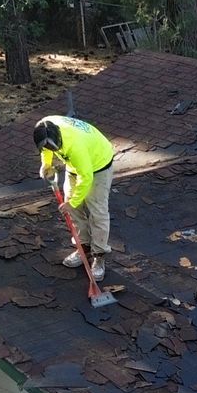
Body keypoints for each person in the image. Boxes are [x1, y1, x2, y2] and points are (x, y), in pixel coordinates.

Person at [35, 116, 116, 279]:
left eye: (53, 146)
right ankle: (83, 247)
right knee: (73, 211)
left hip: (98, 165)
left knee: (97, 212)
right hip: (76, 165)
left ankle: (99, 256)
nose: (51, 149)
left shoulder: (75, 145)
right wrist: (47, 164)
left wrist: (72, 202)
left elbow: (86, 177)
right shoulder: (44, 129)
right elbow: (45, 149)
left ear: (58, 138)